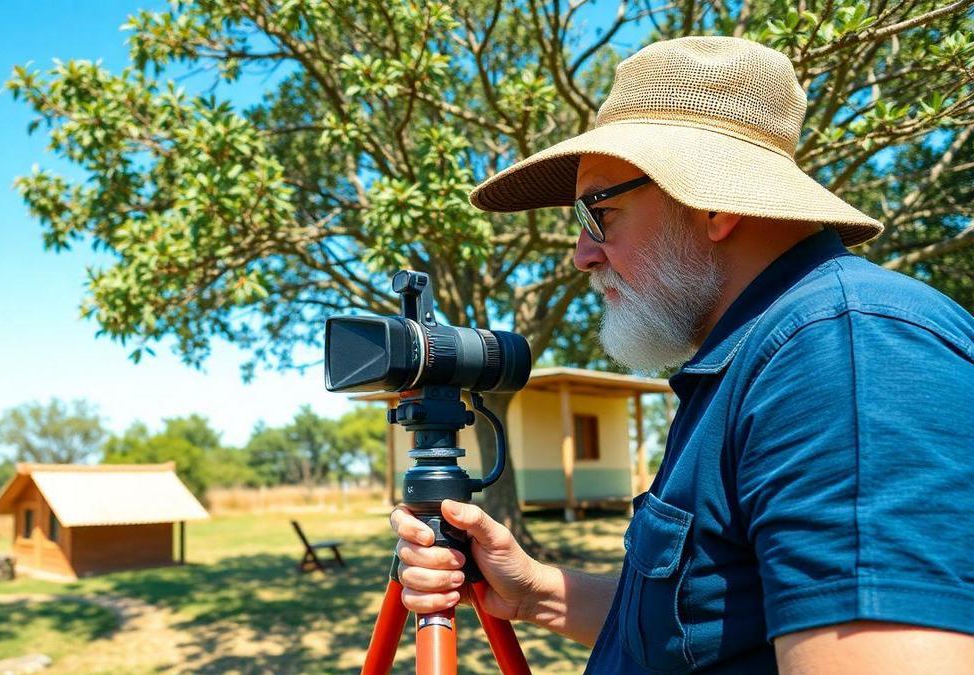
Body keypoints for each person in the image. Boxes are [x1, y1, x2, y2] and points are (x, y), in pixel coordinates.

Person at [390, 36, 974, 673]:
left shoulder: (847, 354)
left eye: (597, 212)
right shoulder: (758, 358)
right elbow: (707, 628)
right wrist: (536, 592)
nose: (582, 254)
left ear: (712, 201)